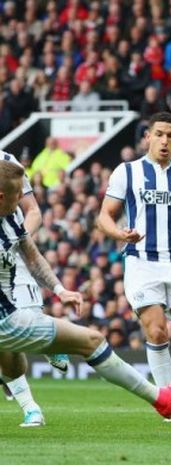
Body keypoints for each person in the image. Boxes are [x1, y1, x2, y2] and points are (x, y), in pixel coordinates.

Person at [0, 159, 171, 425]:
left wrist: (60, 290)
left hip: (11, 313)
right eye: (18, 195)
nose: (22, 201)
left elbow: (32, 256)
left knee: (15, 367)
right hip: (8, 321)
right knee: (92, 341)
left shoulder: (10, 218)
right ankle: (162, 400)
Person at [97, 112, 171, 422]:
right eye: (159, 134)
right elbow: (104, 216)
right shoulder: (128, 172)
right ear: (147, 136)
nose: (165, 140)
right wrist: (120, 233)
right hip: (142, 263)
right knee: (156, 330)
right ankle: (169, 402)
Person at [0, 151, 69, 427]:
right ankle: (31, 408)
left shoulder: (7, 160)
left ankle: (49, 341)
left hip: (12, 250)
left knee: (26, 319)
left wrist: (14, 239)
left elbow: (33, 211)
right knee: (7, 347)